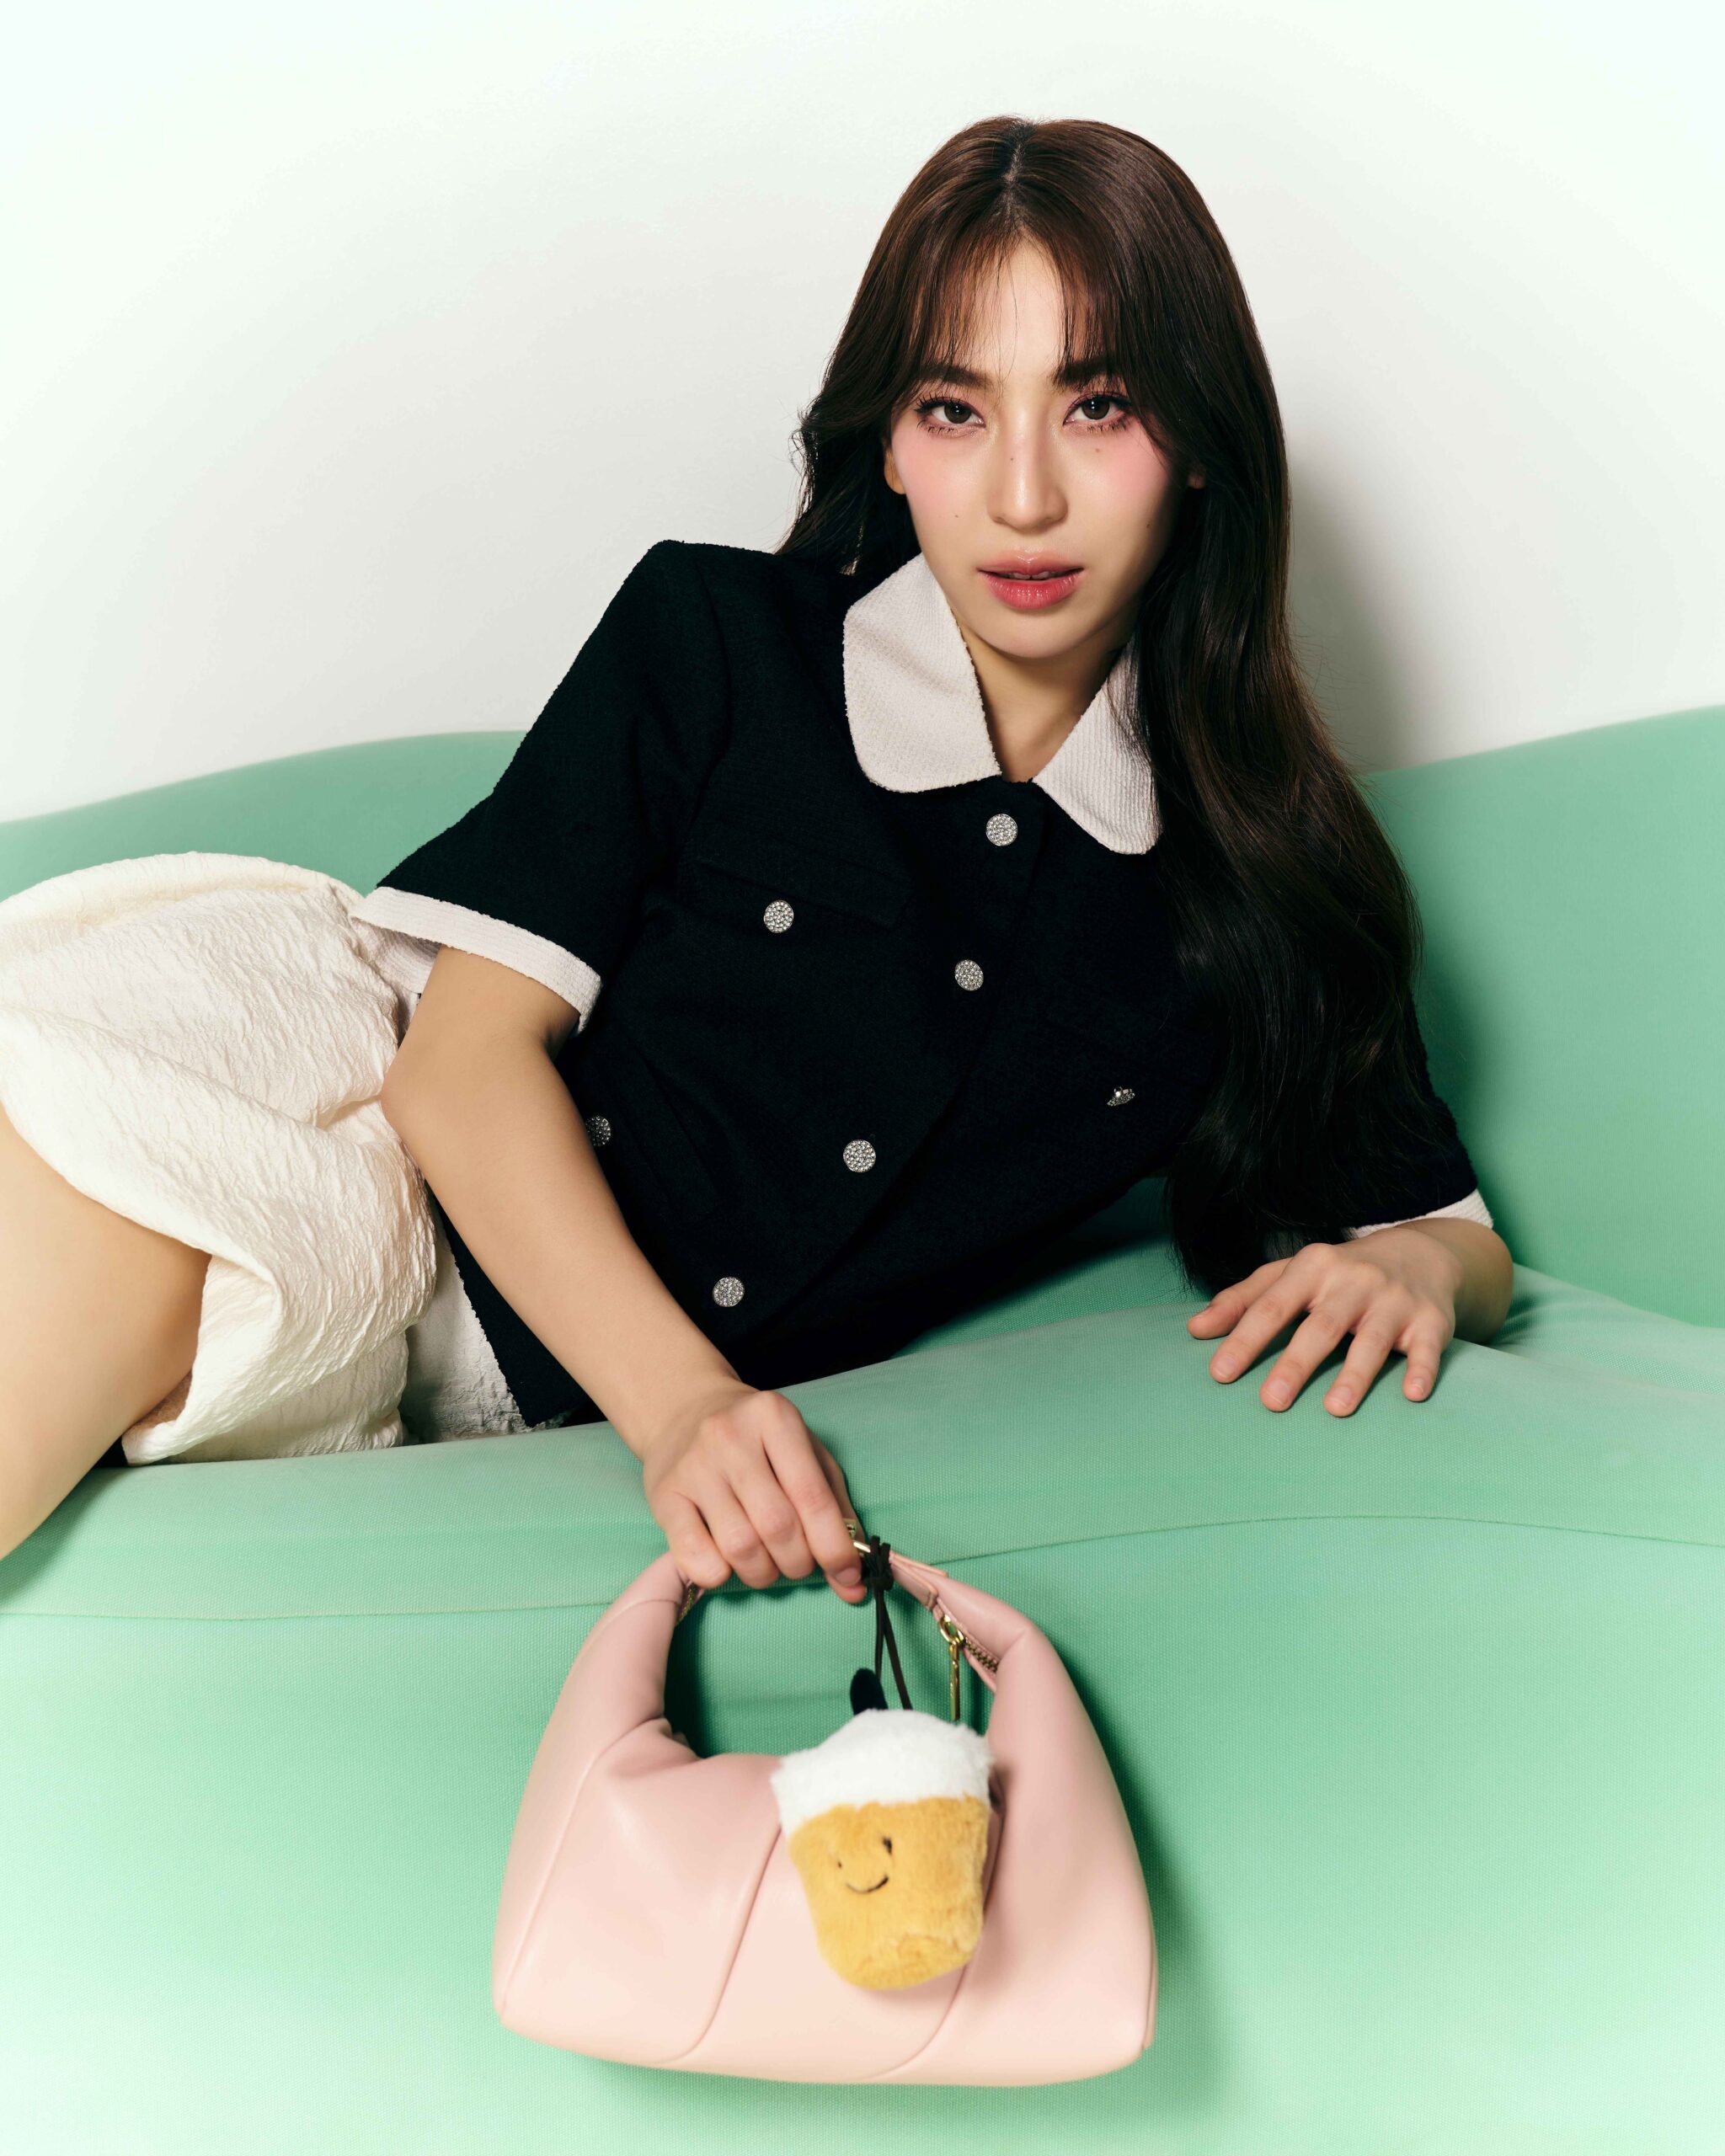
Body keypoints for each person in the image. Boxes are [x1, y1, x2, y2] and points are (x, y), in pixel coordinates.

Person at [0, 115, 1513, 1585]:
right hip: (317, 1095)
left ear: (1200, 444)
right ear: (891, 444)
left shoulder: (1252, 879)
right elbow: (453, 1071)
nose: (1024, 496)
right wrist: (684, 1409)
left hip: (406, 1332)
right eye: (956, 409)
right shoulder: (717, 642)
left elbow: (1446, 1228)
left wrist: (1419, 1268)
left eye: (1098, 406)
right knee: (135, 1226)